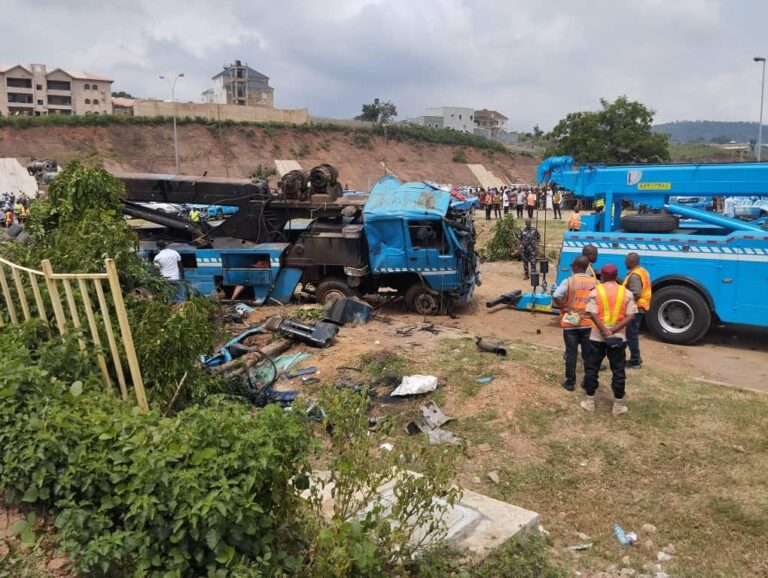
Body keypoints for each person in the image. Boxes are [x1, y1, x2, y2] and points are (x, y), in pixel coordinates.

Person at [581, 263, 637, 415]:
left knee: (592, 368)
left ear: (603, 276)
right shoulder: (626, 293)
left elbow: (592, 313)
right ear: (616, 275)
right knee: (618, 370)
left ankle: (589, 401)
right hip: (618, 337)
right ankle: (618, 406)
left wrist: (604, 330)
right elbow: (631, 315)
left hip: (597, 336)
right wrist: (613, 330)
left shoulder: (595, 292)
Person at [552, 256, 597, 392]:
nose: (571, 267)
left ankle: (570, 383)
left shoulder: (569, 281)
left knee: (571, 353)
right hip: (588, 322)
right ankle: (588, 382)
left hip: (571, 320)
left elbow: (556, 295)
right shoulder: (595, 282)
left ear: (576, 267)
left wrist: (564, 307)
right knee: (588, 354)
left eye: (573, 265)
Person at [623, 252, 652, 369]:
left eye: (626, 261)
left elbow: (635, 293)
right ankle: (635, 358)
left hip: (636, 308)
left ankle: (635, 361)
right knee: (631, 334)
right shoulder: (642, 271)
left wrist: (623, 302)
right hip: (640, 307)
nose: (625, 262)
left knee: (631, 335)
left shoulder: (635, 275)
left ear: (631, 262)